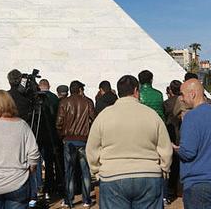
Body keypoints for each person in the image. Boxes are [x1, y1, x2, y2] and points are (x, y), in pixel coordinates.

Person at [86, 75, 172, 209]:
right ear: (136, 91)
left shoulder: (104, 116)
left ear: (118, 92)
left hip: (112, 176)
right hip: (148, 175)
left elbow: (92, 149)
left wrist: (97, 172)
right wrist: (163, 169)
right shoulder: (151, 115)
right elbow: (165, 148)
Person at [175, 79, 211, 209]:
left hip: (200, 183)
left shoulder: (191, 117)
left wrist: (174, 148)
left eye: (183, 94)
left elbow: (188, 153)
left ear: (193, 94)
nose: (181, 99)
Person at [56, 80, 96, 208]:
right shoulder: (87, 102)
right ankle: (86, 200)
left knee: (70, 171)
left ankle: (69, 200)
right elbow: (94, 119)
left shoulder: (64, 102)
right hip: (84, 140)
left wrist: (62, 136)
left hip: (69, 141)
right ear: (79, 90)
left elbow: (59, 123)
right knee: (85, 171)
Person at [39, 79, 64, 201]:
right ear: (49, 86)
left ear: (40, 86)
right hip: (55, 134)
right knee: (58, 160)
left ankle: (49, 186)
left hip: (43, 135)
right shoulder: (54, 98)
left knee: (48, 163)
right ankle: (60, 184)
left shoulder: (38, 99)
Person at [163, 79, 186, 204]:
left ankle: (172, 191)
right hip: (182, 134)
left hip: (172, 134)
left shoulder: (166, 103)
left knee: (173, 163)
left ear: (170, 90)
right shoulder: (184, 101)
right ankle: (181, 188)